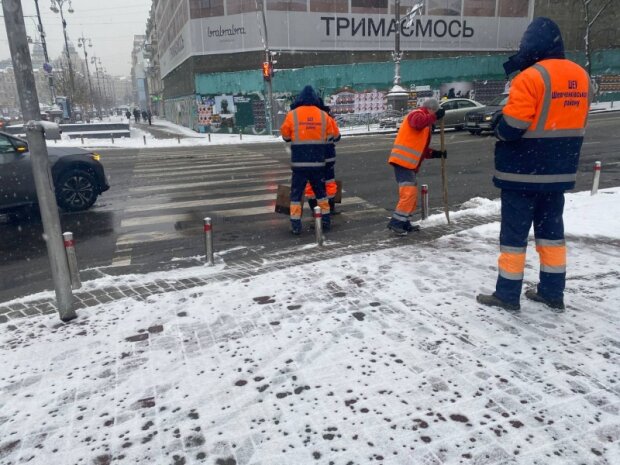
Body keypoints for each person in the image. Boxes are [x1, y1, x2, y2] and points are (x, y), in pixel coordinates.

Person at [476, 17, 592, 313]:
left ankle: (507, 294)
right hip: (559, 174)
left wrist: (498, 125)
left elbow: (513, 126)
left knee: (514, 238)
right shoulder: (581, 76)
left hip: (522, 173)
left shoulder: (530, 77)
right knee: (552, 235)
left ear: (531, 45)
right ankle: (553, 292)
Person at [280, 85, 338, 235]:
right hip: (318, 163)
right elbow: (331, 138)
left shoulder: (292, 115)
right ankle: (325, 220)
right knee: (321, 193)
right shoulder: (324, 116)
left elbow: (285, 136)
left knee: (296, 195)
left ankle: (295, 224)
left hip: (299, 164)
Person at [386, 98, 447, 235]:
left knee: (411, 195)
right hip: (403, 162)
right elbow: (417, 123)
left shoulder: (425, 123)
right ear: (431, 109)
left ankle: (405, 222)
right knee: (408, 194)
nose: (434, 119)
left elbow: (422, 150)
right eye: (434, 114)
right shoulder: (417, 114)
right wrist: (434, 117)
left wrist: (437, 154)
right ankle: (396, 223)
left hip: (409, 164)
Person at [304, 98, 341, 215]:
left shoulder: (304, 120)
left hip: (310, 158)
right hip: (327, 157)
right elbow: (337, 136)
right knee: (329, 182)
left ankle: (314, 208)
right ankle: (330, 207)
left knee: (311, 182)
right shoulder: (328, 118)